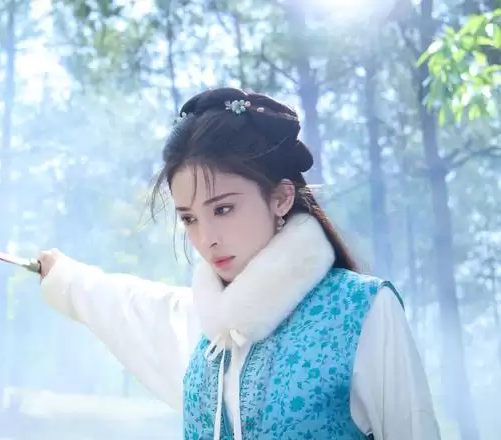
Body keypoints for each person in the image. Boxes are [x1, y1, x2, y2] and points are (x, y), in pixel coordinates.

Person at [37, 88, 440, 439]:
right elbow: (126, 304)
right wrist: (63, 276)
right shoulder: (206, 327)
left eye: (223, 209)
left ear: (281, 197)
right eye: (189, 219)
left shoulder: (362, 309)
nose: (206, 237)